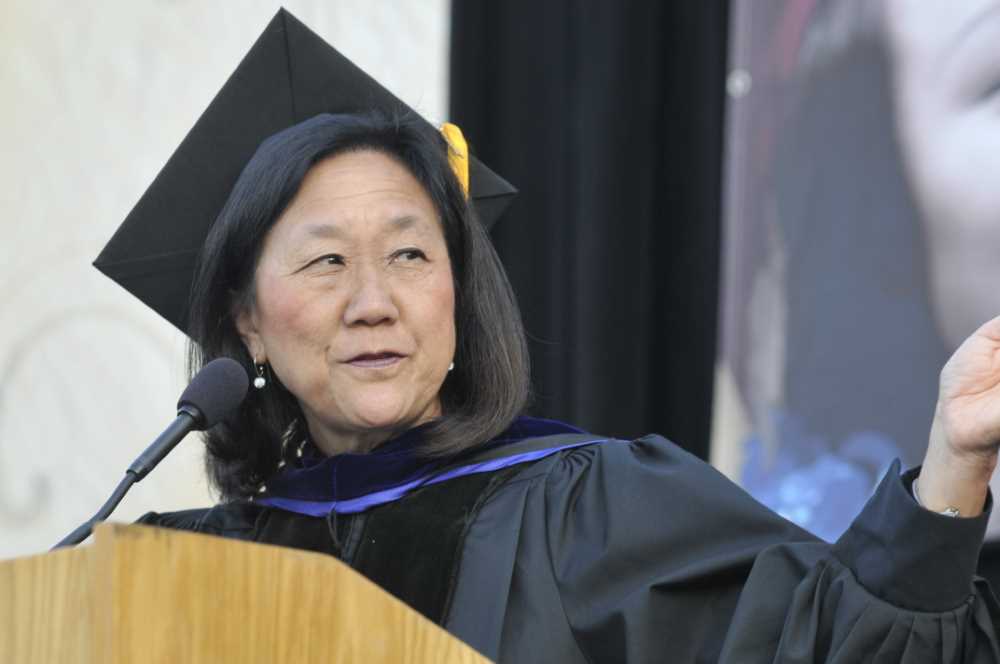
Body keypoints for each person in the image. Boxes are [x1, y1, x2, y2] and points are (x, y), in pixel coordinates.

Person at [103, 9, 1000, 663]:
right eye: (326, 263)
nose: (374, 301)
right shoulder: (171, 570)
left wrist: (953, 459)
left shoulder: (591, 512)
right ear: (248, 324)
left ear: (458, 299)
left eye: (411, 255)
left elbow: (840, 644)